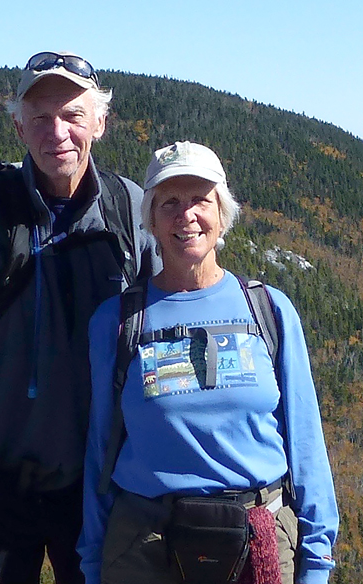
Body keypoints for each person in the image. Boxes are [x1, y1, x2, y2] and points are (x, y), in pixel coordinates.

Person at [0, 52, 158, 584]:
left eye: (72, 115)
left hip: (101, 491)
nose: (58, 132)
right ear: (18, 124)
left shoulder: (132, 216)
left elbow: (167, 336)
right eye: (40, 118)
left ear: (101, 123)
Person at [79, 141, 338, 584]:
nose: (187, 215)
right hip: (145, 545)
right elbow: (100, 451)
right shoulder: (117, 321)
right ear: (151, 220)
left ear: (222, 214)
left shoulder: (269, 311)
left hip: (259, 536)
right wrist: (91, 561)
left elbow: (306, 443)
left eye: (201, 199)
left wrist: (315, 561)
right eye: (169, 203)